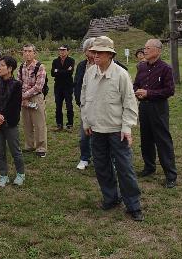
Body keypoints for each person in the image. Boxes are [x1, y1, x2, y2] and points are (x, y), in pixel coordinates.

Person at [81, 36, 144, 221]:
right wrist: (86, 122)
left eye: (99, 52)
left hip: (117, 130)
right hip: (96, 130)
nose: (95, 55)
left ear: (110, 54)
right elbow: (85, 100)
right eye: (94, 52)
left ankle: (133, 205)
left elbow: (130, 103)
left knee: (125, 168)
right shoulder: (89, 73)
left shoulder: (121, 74)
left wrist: (127, 128)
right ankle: (111, 198)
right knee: (101, 166)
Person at [133, 39, 177, 188]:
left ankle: (170, 175)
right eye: (144, 48)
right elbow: (136, 84)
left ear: (158, 51)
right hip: (144, 107)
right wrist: (137, 92)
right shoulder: (142, 67)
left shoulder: (165, 68)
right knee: (146, 138)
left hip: (158, 108)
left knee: (163, 140)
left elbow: (169, 90)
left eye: (148, 48)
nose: (145, 50)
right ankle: (149, 167)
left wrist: (149, 93)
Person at [0, 56, 25, 187]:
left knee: (15, 150)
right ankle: (3, 175)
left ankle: (20, 174)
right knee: (0, 151)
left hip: (10, 123)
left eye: (2, 65)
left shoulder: (17, 85)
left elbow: (14, 106)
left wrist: (1, 118)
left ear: (10, 68)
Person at [17, 44, 48, 158]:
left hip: (35, 98)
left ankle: (41, 147)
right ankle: (29, 145)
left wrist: (24, 96)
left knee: (39, 123)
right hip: (23, 98)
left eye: (30, 51)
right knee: (27, 123)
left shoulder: (40, 67)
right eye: (25, 51)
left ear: (34, 53)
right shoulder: (21, 67)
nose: (27, 53)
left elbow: (38, 87)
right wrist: (21, 96)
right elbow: (18, 82)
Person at [74, 37, 95, 170]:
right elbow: (77, 83)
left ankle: (110, 160)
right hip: (85, 105)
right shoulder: (82, 65)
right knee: (84, 135)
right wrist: (78, 100)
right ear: (85, 51)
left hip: (101, 105)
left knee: (103, 135)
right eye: (90, 50)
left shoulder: (107, 63)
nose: (93, 53)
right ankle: (84, 158)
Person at [51, 45, 75, 130]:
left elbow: (70, 73)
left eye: (64, 50)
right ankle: (59, 124)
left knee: (69, 105)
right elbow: (52, 73)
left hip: (68, 86)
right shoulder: (55, 61)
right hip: (58, 87)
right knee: (58, 106)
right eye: (60, 50)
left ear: (68, 51)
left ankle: (70, 124)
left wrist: (58, 71)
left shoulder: (71, 60)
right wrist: (64, 71)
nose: (62, 52)